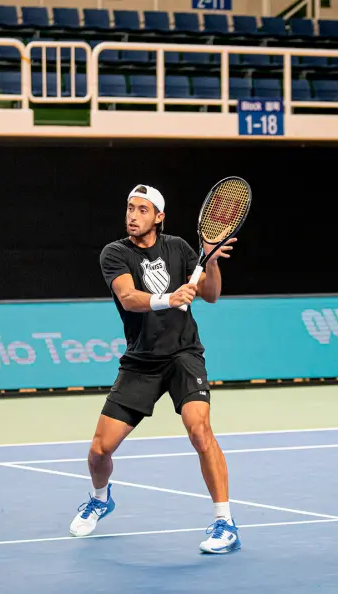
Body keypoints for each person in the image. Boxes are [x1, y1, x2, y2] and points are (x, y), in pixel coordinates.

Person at [68, 183, 241, 554]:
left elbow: (211, 294)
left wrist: (209, 262)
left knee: (200, 430)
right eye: (130, 208)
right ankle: (100, 498)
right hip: (141, 361)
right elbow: (129, 299)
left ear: (159, 217)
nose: (133, 215)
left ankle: (224, 522)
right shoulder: (114, 253)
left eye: (142, 209)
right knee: (99, 451)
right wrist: (169, 297)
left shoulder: (179, 248)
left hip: (183, 354)